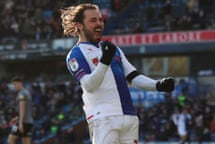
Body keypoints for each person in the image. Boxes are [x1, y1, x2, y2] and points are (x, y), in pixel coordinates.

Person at [60, 3, 175, 144]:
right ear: (79, 25)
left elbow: (133, 77)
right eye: (93, 20)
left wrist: (158, 85)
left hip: (129, 117)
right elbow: (89, 85)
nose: (99, 24)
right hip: (104, 118)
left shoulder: (113, 49)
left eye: (100, 20)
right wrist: (104, 62)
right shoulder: (76, 54)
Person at [8, 76, 34, 144]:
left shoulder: (21, 93)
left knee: (11, 139)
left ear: (20, 83)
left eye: (15, 84)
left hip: (23, 122)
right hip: (29, 122)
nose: (14, 86)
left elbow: (22, 108)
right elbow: (27, 110)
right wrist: (17, 118)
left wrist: (20, 123)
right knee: (26, 142)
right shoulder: (27, 92)